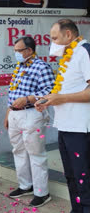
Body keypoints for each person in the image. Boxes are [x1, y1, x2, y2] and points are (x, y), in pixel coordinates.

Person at [35, 19, 90, 213]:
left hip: (80, 128)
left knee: (84, 177)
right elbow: (67, 91)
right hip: (65, 126)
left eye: (55, 38)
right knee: (72, 176)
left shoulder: (84, 52)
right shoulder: (70, 55)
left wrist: (62, 98)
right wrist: (49, 99)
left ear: (68, 35)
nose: (52, 42)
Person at [4, 36, 55, 207]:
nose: (16, 54)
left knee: (35, 153)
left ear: (29, 50)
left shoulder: (41, 67)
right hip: (15, 114)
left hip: (31, 113)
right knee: (18, 151)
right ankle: (25, 185)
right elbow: (13, 92)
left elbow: (50, 90)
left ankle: (42, 193)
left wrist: (28, 99)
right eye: (15, 51)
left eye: (19, 50)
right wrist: (8, 113)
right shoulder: (20, 66)